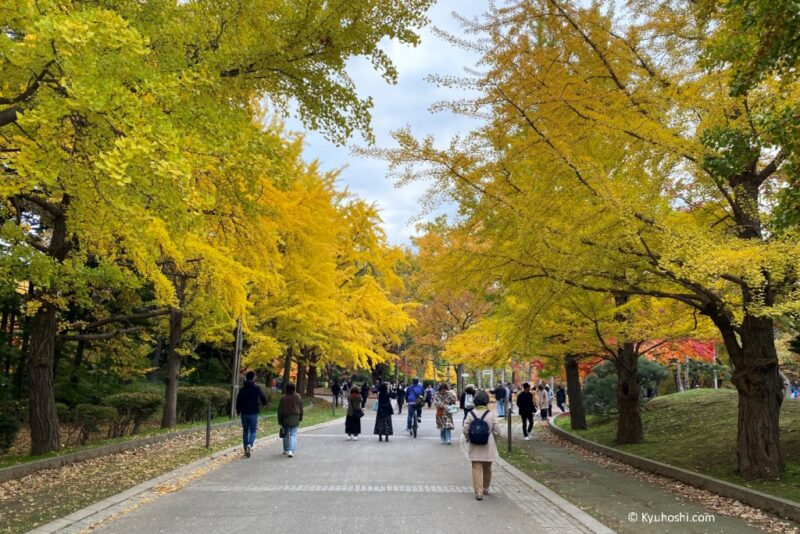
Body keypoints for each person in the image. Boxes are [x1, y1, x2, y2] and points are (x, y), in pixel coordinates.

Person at [463, 390, 501, 501]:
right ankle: (485, 488)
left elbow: (465, 429)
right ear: (486, 401)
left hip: (475, 444)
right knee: (487, 467)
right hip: (488, 444)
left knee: (476, 467)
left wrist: (468, 438)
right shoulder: (492, 414)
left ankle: (478, 492)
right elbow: (497, 430)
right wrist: (495, 440)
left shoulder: (471, 414)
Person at [235, 370, 268, 458]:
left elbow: (238, 400)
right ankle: (250, 445)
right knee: (253, 430)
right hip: (253, 412)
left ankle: (246, 449)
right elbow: (263, 397)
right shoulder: (257, 388)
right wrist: (264, 404)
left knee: (245, 431)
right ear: (253, 377)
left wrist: (238, 411)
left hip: (244, 412)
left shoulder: (242, 389)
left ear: (246, 378)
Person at [278, 382, 303, 458]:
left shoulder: (283, 397)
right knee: (293, 434)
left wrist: (279, 420)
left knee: (286, 434)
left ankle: (286, 449)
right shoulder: (297, 396)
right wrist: (300, 417)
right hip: (295, 417)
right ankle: (291, 450)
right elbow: (301, 408)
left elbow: (279, 410)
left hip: (285, 418)